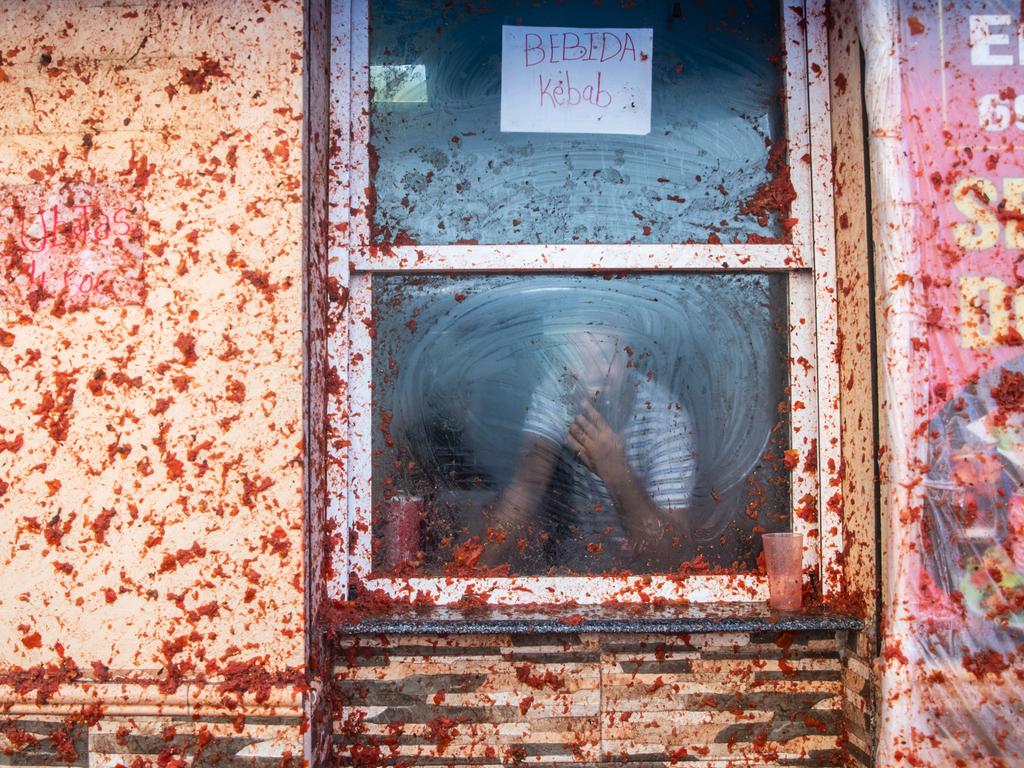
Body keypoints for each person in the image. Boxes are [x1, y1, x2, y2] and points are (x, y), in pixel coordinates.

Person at [482, 331, 697, 572]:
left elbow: (670, 556)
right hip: (587, 568)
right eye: (576, 359)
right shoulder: (561, 392)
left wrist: (616, 470)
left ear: (629, 357)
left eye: (605, 356)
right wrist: (475, 574)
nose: (593, 373)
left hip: (650, 581)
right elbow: (527, 487)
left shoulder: (666, 417)